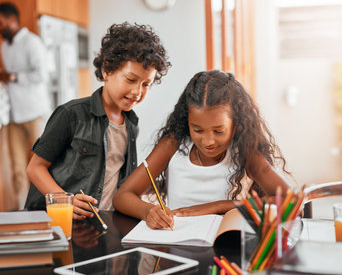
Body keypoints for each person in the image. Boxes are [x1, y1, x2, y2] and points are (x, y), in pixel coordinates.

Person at [24, 22, 171, 220]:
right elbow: (35, 168)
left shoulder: (131, 124)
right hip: (62, 221)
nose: (137, 92)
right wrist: (64, 200)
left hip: (103, 223)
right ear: (106, 71)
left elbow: (121, 181)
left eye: (146, 84)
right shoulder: (71, 114)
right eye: (130, 80)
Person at [112, 70, 292, 229]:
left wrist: (218, 206)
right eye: (197, 130)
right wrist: (149, 211)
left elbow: (290, 201)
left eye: (218, 131)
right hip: (177, 243)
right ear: (186, 122)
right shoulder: (173, 144)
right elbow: (122, 196)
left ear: (236, 124)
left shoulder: (243, 151)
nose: (208, 141)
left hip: (223, 247)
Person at [0, 2, 51, 208]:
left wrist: (13, 76)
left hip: (35, 114)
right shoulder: (4, 47)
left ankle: (47, 209)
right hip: (13, 116)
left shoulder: (32, 42)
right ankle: (22, 212)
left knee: (41, 166)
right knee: (17, 169)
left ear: (12, 20)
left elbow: (41, 75)